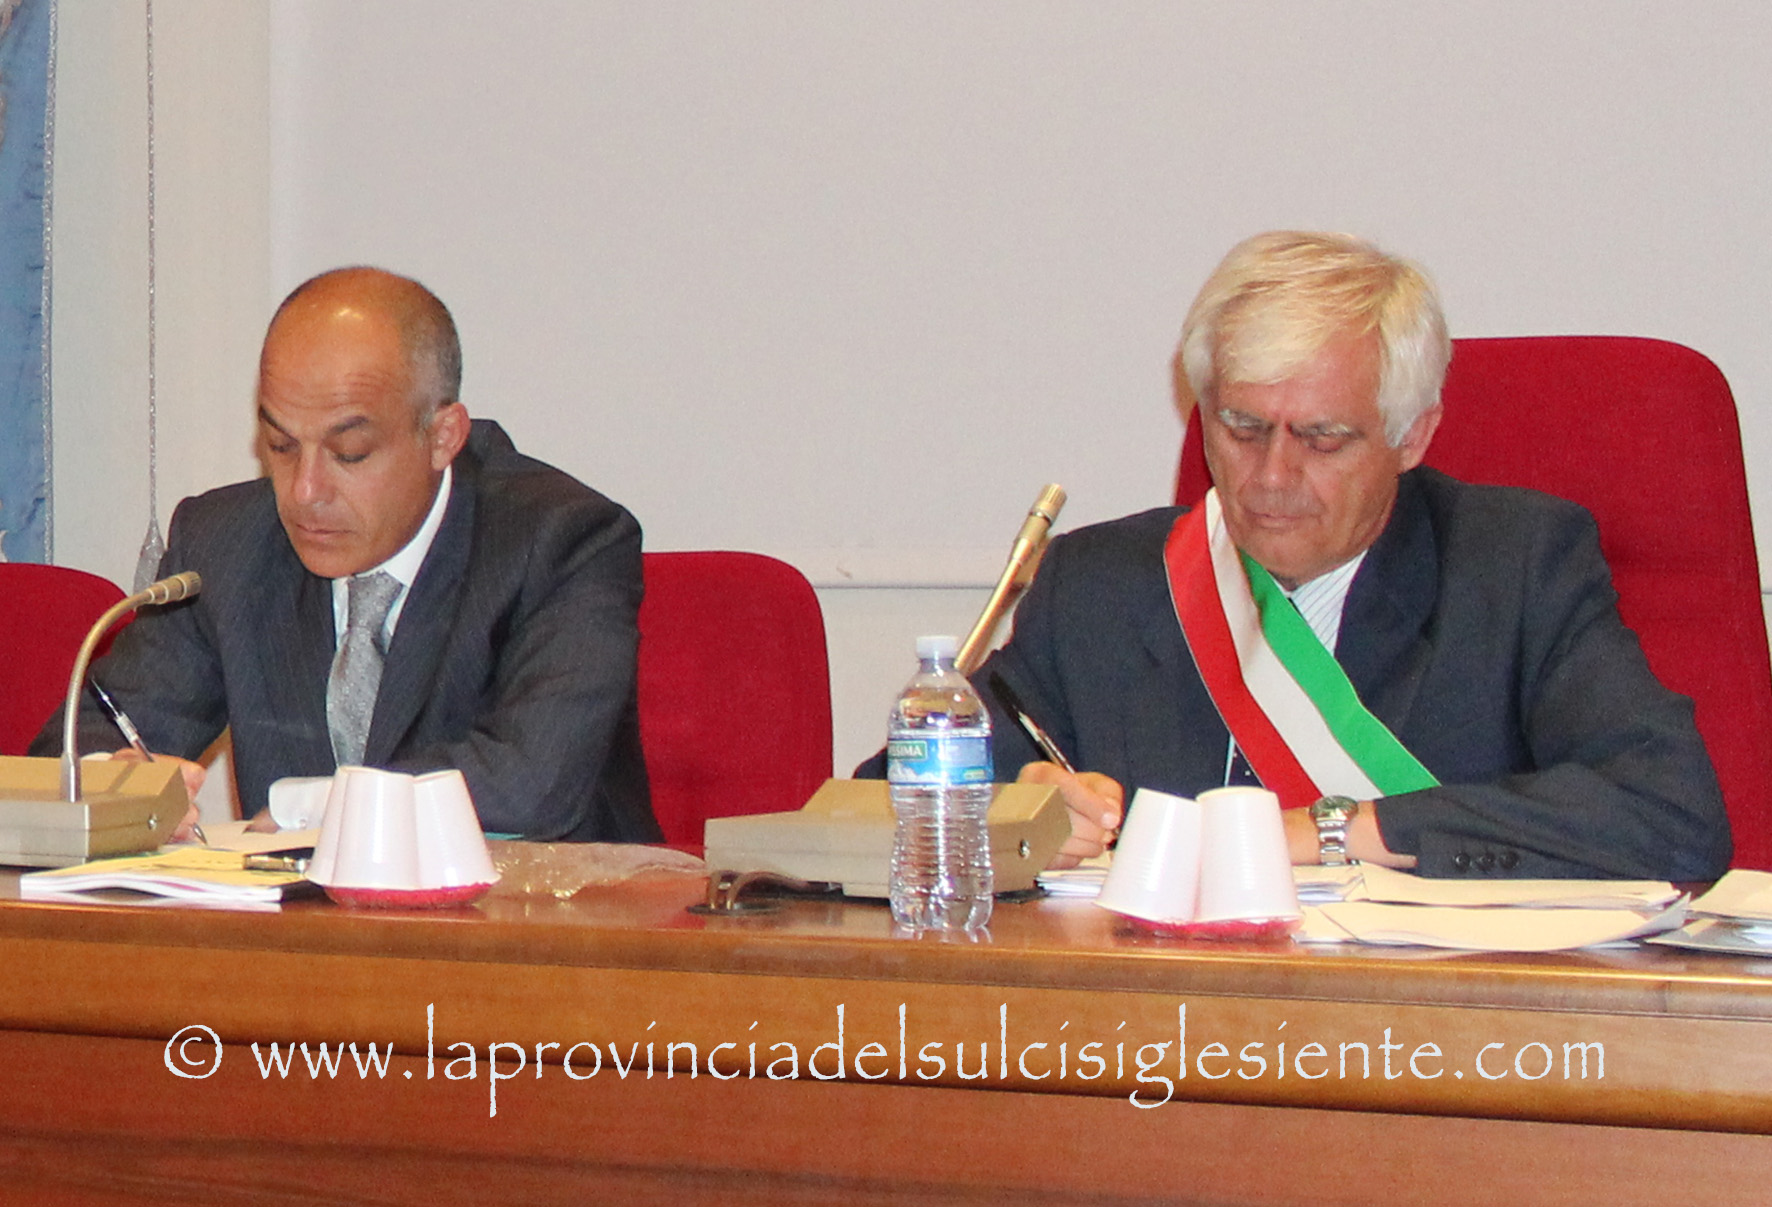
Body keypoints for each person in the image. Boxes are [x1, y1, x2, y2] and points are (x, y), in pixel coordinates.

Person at [976, 231, 1729, 879]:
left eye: (1322, 439)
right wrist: (1006, 816)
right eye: (1242, 428)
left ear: (1412, 436)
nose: (1272, 476)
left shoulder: (1515, 569)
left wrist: (1333, 830)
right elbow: (917, 798)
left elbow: (1672, 815)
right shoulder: (1099, 584)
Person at [35, 266, 660, 843]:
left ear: (443, 437)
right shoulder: (224, 542)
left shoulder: (562, 540)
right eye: (281, 446)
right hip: (298, 927)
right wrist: (115, 788)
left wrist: (308, 808)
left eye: (349, 454)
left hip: (537, 918)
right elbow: (70, 751)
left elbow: (531, 784)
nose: (305, 492)